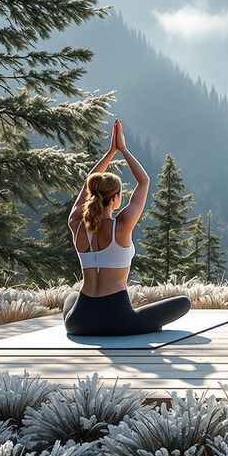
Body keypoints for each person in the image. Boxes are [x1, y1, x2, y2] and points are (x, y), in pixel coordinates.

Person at [64, 119, 191, 335]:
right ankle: (142, 325)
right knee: (183, 302)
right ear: (115, 198)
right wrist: (122, 149)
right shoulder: (121, 226)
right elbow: (144, 181)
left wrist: (110, 153)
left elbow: (88, 184)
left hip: (79, 322)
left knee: (71, 297)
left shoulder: (76, 225)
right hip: (118, 320)